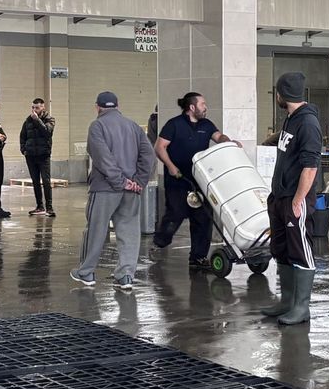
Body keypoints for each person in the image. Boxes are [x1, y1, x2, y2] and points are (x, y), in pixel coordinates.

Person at [71, 91, 156, 291]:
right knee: (129, 231)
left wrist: (121, 181)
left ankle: (86, 272)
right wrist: (138, 181)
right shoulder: (133, 126)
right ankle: (125, 276)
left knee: (96, 229)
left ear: (97, 107)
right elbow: (149, 155)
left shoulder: (97, 126)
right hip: (131, 190)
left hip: (104, 189)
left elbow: (102, 158)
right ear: (118, 106)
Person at [262, 72, 321, 325]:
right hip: (280, 197)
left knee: (300, 251)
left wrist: (298, 200)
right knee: (282, 249)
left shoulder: (307, 123)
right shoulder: (290, 119)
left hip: (295, 200)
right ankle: (287, 301)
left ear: (282, 94)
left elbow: (310, 167)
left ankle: (301, 307)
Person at [154, 92, 234, 268]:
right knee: (176, 213)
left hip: (199, 180)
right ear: (192, 107)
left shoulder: (206, 124)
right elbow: (159, 147)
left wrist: (228, 142)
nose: (206, 107)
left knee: (203, 218)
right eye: (202, 104)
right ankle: (160, 241)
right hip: (177, 179)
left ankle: (198, 257)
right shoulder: (174, 124)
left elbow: (219, 137)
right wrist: (170, 166)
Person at [20, 97, 56, 216]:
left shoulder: (49, 119)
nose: (34, 110)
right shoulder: (28, 121)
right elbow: (23, 136)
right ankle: (39, 206)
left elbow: (47, 132)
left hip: (43, 155)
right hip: (31, 156)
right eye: (33, 107)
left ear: (43, 107)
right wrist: (24, 150)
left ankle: (49, 208)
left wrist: (37, 120)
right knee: (35, 181)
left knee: (46, 181)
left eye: (37, 107)